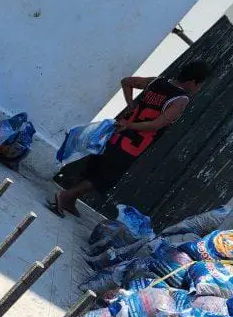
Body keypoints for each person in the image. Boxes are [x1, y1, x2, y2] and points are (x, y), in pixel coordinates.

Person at [47, 60, 211, 217]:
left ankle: (71, 200)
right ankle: (66, 196)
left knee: (96, 166)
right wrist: (131, 126)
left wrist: (131, 104)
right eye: (200, 84)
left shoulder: (156, 82)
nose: (199, 88)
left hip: (116, 132)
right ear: (192, 81)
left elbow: (126, 81)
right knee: (105, 176)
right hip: (132, 143)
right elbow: (156, 124)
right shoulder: (181, 100)